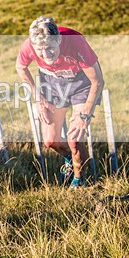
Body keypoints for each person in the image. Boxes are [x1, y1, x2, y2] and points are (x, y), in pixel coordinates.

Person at [15, 16, 105, 188]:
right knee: (50, 141)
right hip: (52, 83)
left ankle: (79, 180)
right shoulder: (30, 45)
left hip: (81, 82)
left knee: (75, 140)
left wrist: (84, 115)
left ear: (59, 40)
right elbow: (20, 67)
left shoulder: (75, 42)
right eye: (40, 50)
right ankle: (72, 159)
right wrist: (38, 98)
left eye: (50, 48)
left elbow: (98, 81)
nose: (45, 54)